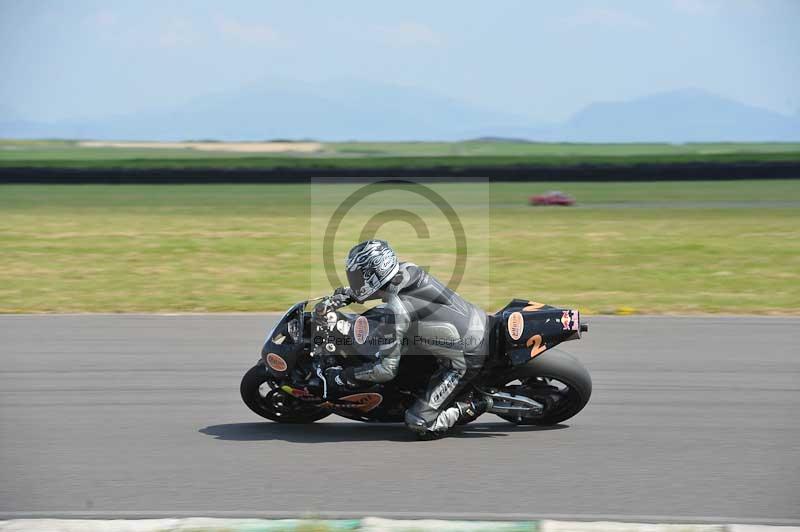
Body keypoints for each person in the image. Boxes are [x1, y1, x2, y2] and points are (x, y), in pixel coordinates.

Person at [323, 239, 492, 439]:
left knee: (419, 423)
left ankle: (478, 403)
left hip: (466, 357)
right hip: (477, 321)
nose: (354, 280)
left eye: (358, 277)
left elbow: (385, 371)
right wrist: (347, 295)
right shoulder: (407, 269)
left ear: (375, 273)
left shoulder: (397, 310)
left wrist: (345, 376)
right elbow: (377, 289)